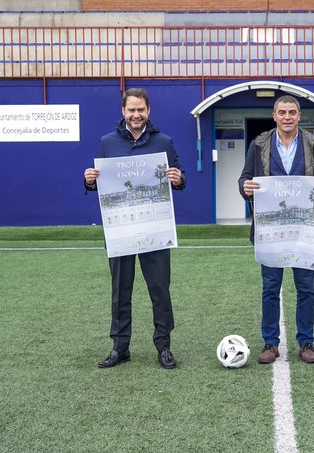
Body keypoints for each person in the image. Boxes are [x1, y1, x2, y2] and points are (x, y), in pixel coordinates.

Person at [83, 87, 186, 369]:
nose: (136, 114)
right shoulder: (107, 143)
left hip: (155, 230)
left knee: (160, 290)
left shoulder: (164, 141)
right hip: (120, 234)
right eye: (131, 110)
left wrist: (178, 178)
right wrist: (89, 179)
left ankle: (164, 346)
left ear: (148, 111)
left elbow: (180, 176)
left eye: (141, 109)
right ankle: (120, 347)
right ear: (123, 112)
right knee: (120, 290)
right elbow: (99, 184)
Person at [239, 95, 314, 364]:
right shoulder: (258, 145)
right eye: (282, 112)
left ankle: (306, 343)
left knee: (305, 288)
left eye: (292, 112)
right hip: (271, 230)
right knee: (270, 287)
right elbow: (245, 177)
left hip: (305, 229)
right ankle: (270, 343)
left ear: (299, 116)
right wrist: (245, 188)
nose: (288, 116)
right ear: (274, 115)